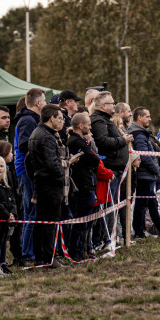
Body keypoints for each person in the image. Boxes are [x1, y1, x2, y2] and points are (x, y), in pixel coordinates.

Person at [26, 104, 72, 267]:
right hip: (50, 184)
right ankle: (48, 258)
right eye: (60, 118)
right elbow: (52, 164)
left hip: (43, 182)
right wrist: (61, 175)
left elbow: (29, 162)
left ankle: (42, 257)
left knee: (42, 222)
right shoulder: (45, 136)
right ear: (51, 118)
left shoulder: (39, 133)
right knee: (49, 223)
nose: (62, 122)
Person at [90, 91, 132, 241]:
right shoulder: (98, 121)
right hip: (109, 169)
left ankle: (111, 237)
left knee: (113, 205)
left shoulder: (106, 120)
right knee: (108, 206)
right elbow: (102, 142)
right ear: (102, 105)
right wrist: (123, 140)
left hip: (116, 169)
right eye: (111, 103)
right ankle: (105, 239)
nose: (114, 105)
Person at [129, 108, 160, 239]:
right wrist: (155, 169)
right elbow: (145, 155)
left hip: (148, 173)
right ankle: (139, 232)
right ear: (139, 118)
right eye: (147, 116)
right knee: (141, 205)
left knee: (152, 203)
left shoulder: (143, 133)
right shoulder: (138, 134)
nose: (150, 119)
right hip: (144, 174)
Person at [67, 112, 104, 261]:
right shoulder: (76, 142)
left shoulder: (80, 141)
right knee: (80, 222)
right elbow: (94, 159)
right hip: (82, 185)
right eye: (88, 124)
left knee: (84, 222)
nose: (90, 127)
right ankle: (75, 253)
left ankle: (81, 250)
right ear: (81, 125)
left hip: (86, 183)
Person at [15, 88, 45, 266]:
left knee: (34, 212)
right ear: (38, 103)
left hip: (32, 169)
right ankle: (27, 253)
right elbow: (25, 146)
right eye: (45, 100)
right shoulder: (27, 120)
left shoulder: (32, 119)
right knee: (30, 212)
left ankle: (32, 251)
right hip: (26, 170)